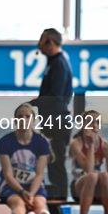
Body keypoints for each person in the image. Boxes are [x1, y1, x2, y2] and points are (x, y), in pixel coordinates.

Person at [29, 28, 73, 200]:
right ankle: (57, 201)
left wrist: (34, 102)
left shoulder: (59, 64)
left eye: (42, 40)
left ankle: (60, 204)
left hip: (57, 122)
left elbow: (56, 97)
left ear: (50, 42)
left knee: (57, 164)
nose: (39, 44)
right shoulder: (53, 63)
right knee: (53, 164)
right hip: (51, 120)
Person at [0, 103, 53, 214]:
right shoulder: (5, 142)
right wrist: (22, 192)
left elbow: (39, 174)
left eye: (27, 116)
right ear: (15, 120)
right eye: (20, 117)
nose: (24, 120)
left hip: (34, 185)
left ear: (33, 120)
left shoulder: (41, 142)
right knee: (18, 204)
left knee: (40, 204)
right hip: (11, 186)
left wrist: (31, 193)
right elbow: (8, 175)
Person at [69, 110, 108, 214]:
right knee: (93, 176)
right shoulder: (76, 143)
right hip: (79, 185)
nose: (94, 125)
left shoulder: (106, 146)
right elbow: (88, 170)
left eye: (97, 122)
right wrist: (90, 145)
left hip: (99, 187)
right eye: (90, 122)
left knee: (105, 175)